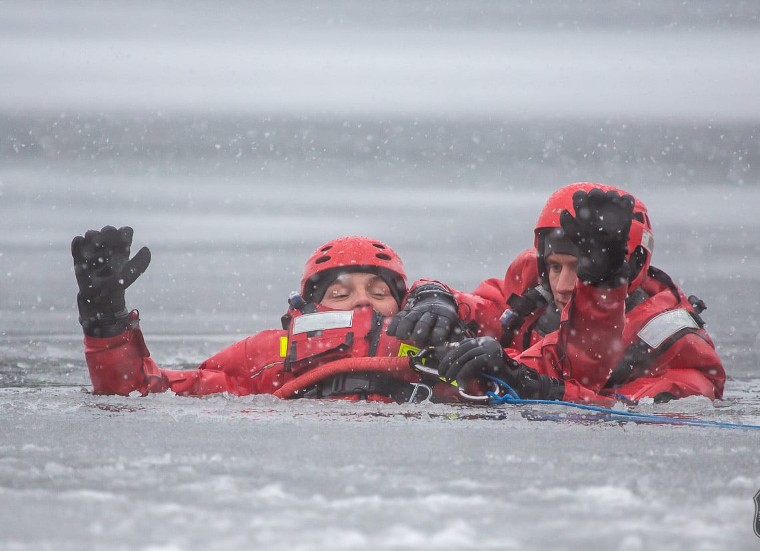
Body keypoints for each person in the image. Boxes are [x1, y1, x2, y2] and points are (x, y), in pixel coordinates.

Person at [389, 183, 726, 404]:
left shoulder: (678, 344)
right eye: (555, 266)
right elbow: (485, 307)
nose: (564, 285)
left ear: (626, 265)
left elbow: (624, 416)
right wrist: (433, 296)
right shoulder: (532, 290)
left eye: (581, 270)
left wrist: (534, 387)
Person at [73, 226, 460, 403]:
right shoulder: (267, 354)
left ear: (403, 303)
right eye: (340, 293)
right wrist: (108, 323)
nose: (363, 302)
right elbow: (142, 388)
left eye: (378, 292)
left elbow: (513, 376)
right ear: (308, 307)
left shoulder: (436, 344)